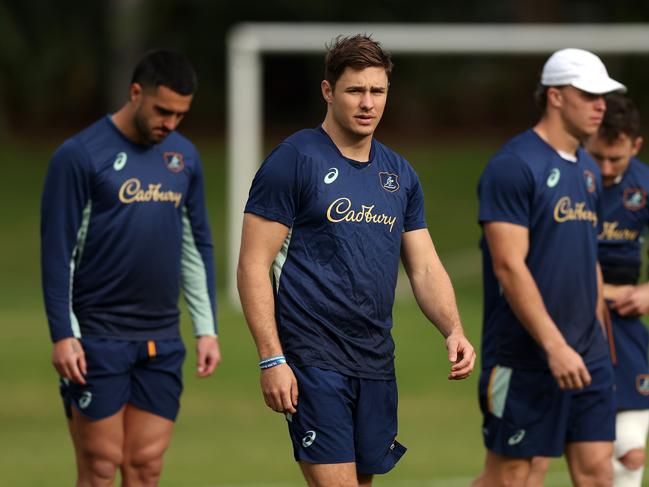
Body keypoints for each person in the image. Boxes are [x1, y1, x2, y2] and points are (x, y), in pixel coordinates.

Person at [237, 34, 476, 487]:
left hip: (374, 360)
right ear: (328, 92)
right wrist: (272, 359)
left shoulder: (399, 174)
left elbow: (424, 266)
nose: (368, 103)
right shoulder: (293, 160)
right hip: (312, 359)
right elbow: (252, 264)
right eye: (355, 91)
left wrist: (454, 329)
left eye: (377, 91)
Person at [41, 49, 221, 486]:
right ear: (136, 93)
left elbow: (196, 246)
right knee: (101, 468)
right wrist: (64, 336)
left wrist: (206, 327)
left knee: (145, 467)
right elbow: (57, 251)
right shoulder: (79, 155)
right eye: (163, 111)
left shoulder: (184, 159)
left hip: (160, 339)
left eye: (180, 115)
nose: (171, 124)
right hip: (96, 339)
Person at [472, 48, 625, 487]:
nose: (601, 105)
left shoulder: (590, 172)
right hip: (526, 356)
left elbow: (587, 260)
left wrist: (597, 338)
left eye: (604, 96)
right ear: (556, 97)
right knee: (513, 477)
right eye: (589, 94)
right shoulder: (513, 165)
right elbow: (507, 266)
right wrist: (555, 346)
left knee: (599, 470)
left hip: (588, 354)